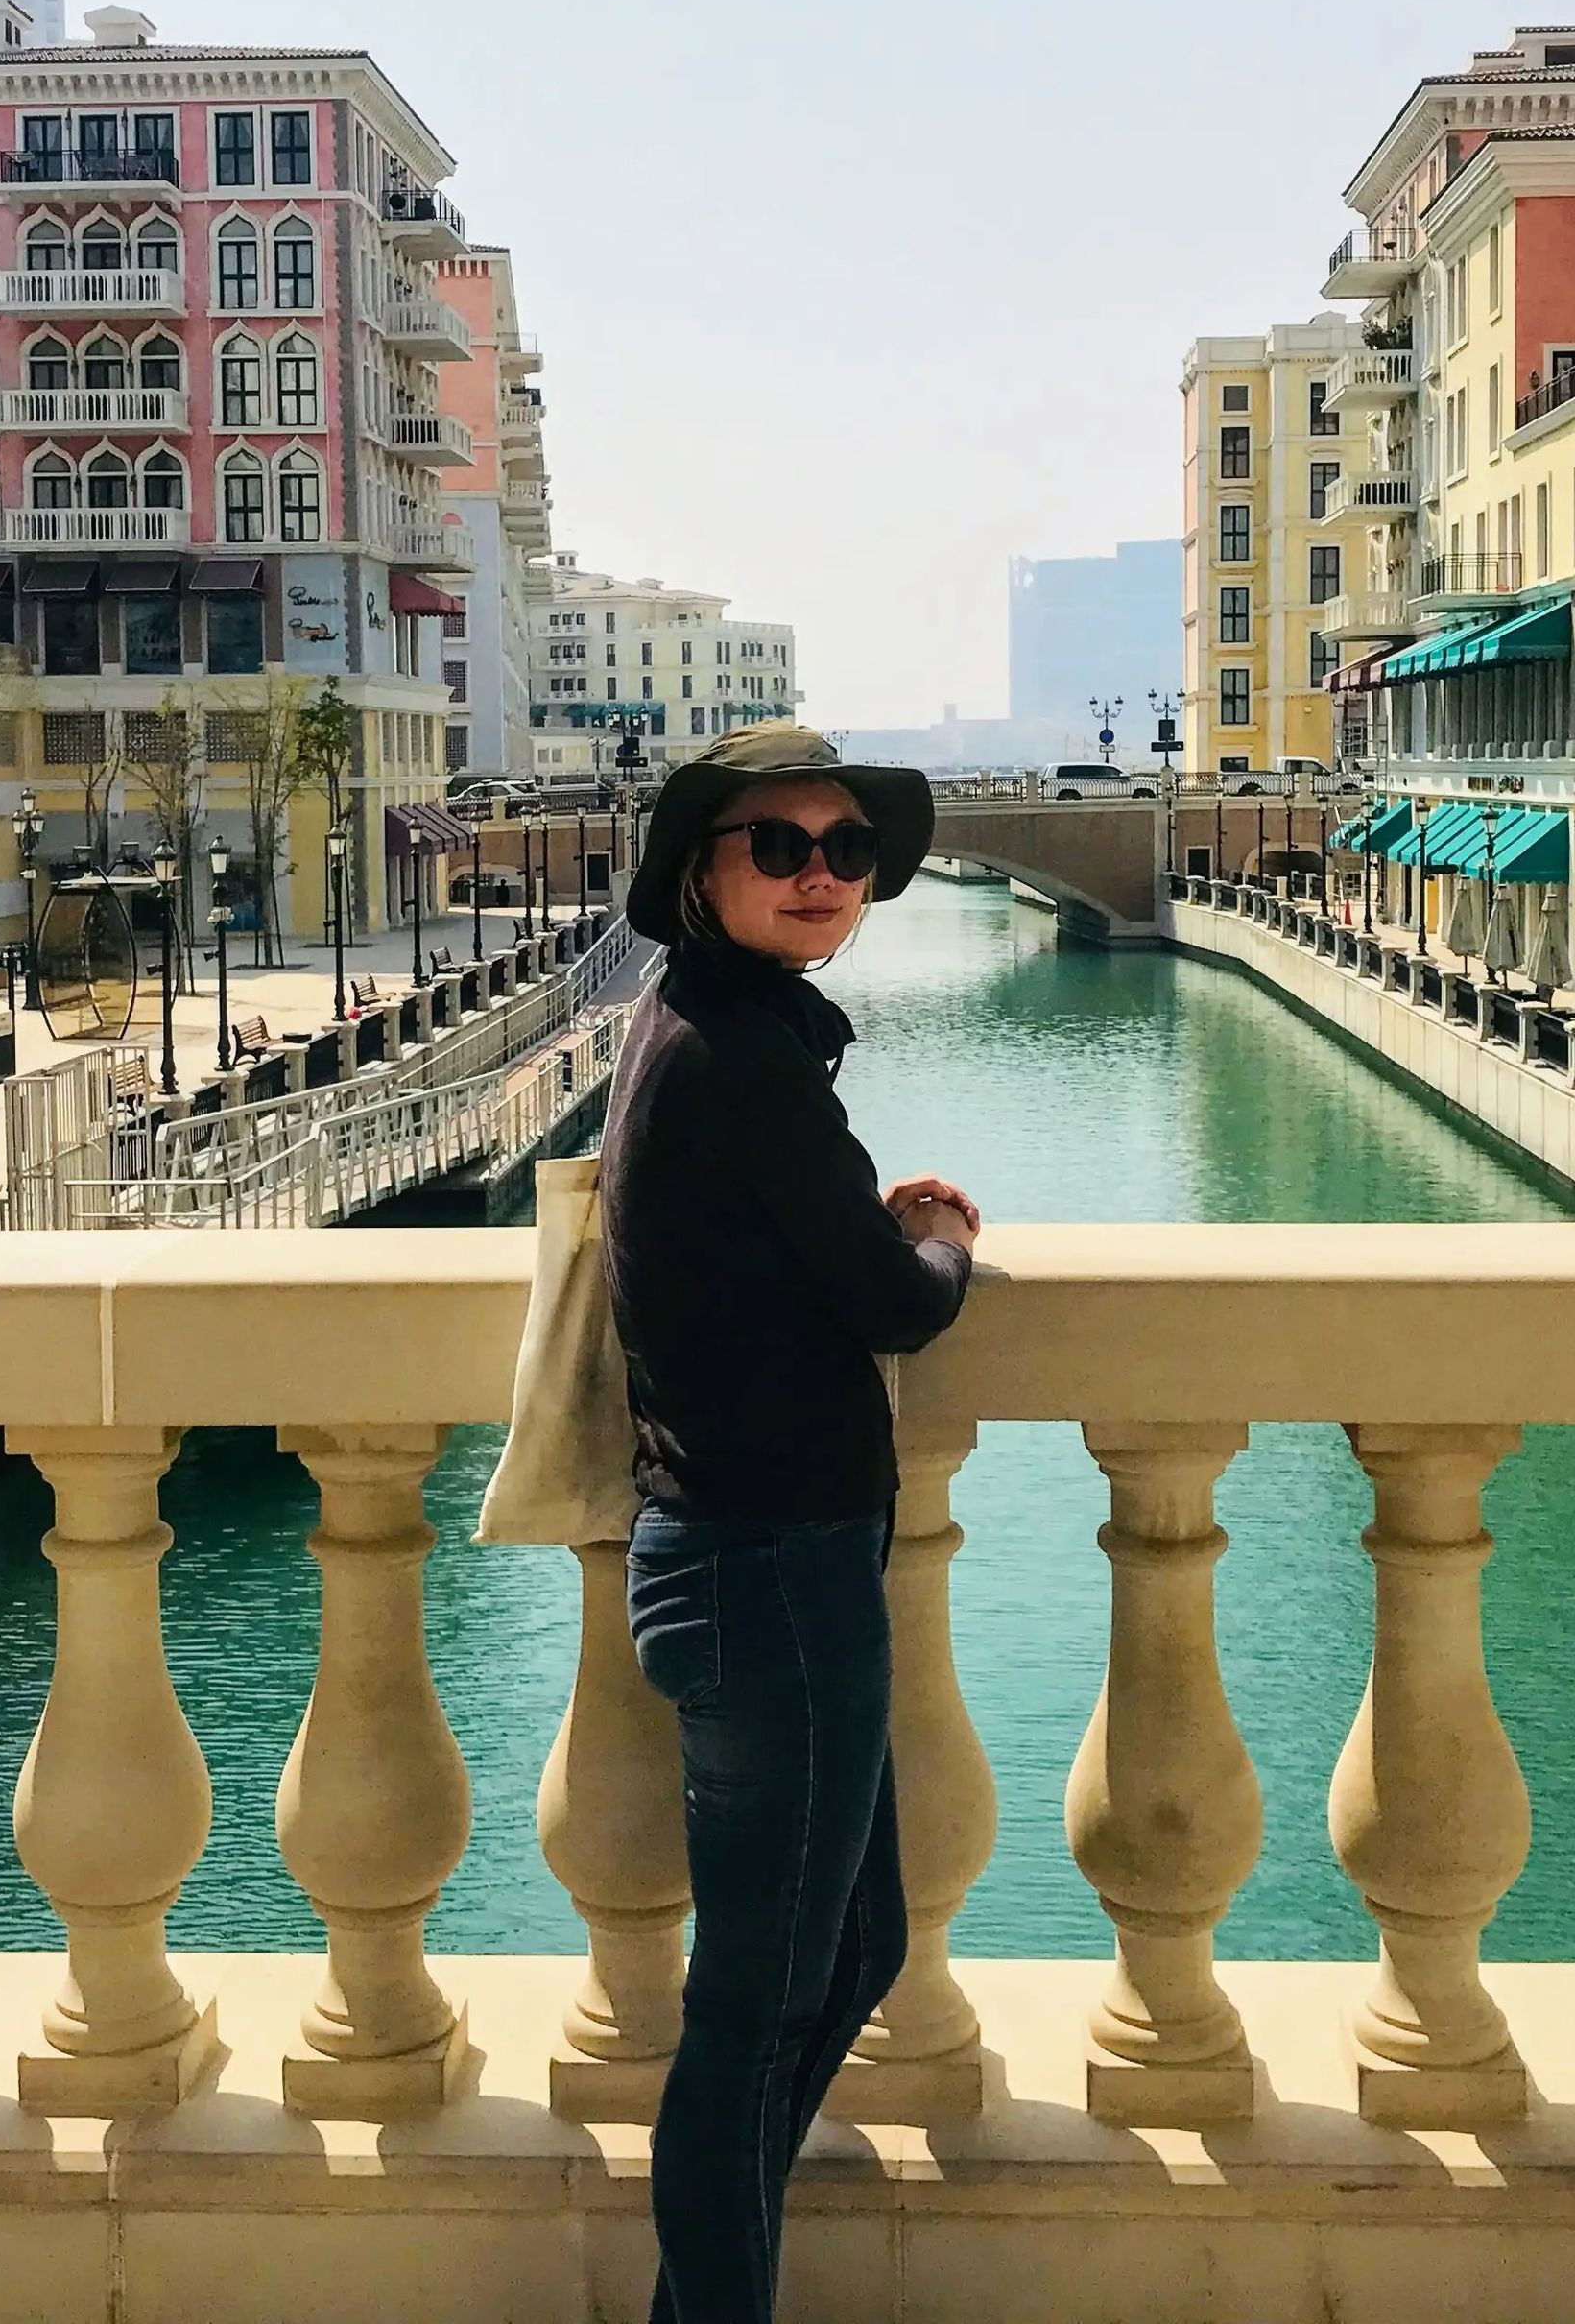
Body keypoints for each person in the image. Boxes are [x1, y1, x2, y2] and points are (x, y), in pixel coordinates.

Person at [599, 725, 981, 2324]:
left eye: (846, 850)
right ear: (705, 867)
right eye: (779, 845)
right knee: (754, 2017)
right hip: (768, 1575)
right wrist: (946, 1237)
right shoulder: (744, 1055)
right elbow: (893, 1304)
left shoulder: (697, 1022)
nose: (821, 872)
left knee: (860, 1942)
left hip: (747, 1564)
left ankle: (721, 2257)